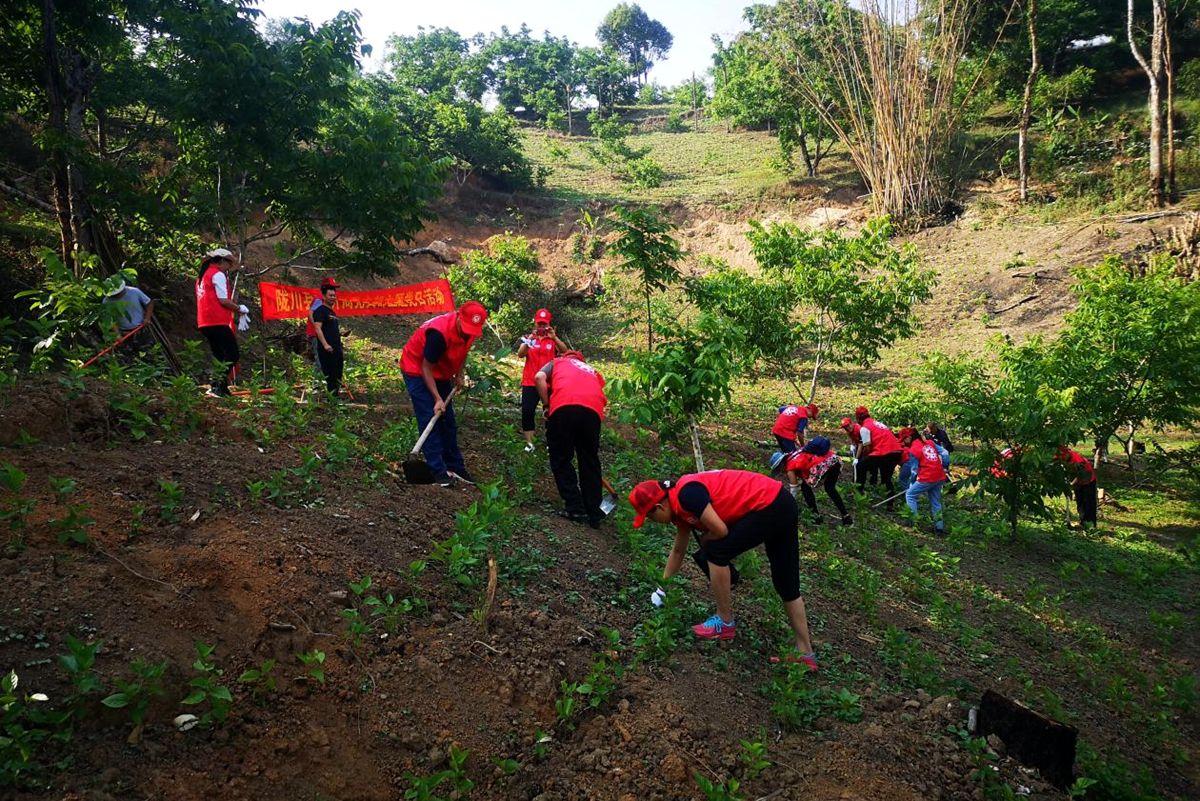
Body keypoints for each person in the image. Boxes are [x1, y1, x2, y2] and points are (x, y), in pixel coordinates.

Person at [629, 469, 818, 670]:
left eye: (650, 517)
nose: (653, 521)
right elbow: (678, 551)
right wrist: (662, 588)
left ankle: (724, 621)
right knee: (786, 584)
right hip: (781, 502)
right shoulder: (678, 506)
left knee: (715, 551)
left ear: (659, 507)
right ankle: (805, 654)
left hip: (769, 503)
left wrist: (705, 538)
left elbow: (720, 530)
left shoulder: (687, 495)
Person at [400, 301, 487, 487]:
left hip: (441, 371)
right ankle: (436, 470)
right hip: (417, 370)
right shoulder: (438, 334)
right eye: (466, 328)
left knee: (448, 420)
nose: (468, 332)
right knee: (430, 415)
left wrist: (459, 374)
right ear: (458, 317)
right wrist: (437, 398)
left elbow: (464, 350)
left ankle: (455, 466)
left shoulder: (470, 331)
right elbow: (425, 367)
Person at [535, 350, 606, 528]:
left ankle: (575, 507)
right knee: (589, 460)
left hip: (564, 407)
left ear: (565, 357)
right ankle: (594, 512)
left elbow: (538, 377)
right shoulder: (592, 370)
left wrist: (546, 405)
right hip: (592, 413)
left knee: (561, 457)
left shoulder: (557, 362)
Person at [195, 247, 247, 397]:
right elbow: (223, 300)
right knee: (232, 354)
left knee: (219, 354)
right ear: (222, 261)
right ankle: (217, 385)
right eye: (229, 264)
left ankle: (220, 387)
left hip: (204, 321)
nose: (229, 267)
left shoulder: (202, 276)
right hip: (216, 320)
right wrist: (239, 308)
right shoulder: (217, 274)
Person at [517, 308, 567, 452]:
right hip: (530, 381)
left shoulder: (552, 339)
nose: (541, 327)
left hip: (548, 382)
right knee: (527, 411)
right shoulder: (529, 338)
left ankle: (550, 441)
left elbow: (565, 352)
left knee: (551, 411)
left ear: (549, 324)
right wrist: (529, 340)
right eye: (539, 324)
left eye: (544, 324)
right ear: (535, 322)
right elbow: (520, 354)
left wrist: (554, 337)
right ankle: (530, 443)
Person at [773, 436, 851, 526]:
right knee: (830, 488)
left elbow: (794, 488)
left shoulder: (790, 467)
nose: (780, 472)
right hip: (833, 459)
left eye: (778, 469)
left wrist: (789, 503)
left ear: (781, 464)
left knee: (805, 488)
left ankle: (816, 516)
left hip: (822, 464)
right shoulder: (794, 454)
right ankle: (846, 516)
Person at [853, 406, 904, 508]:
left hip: (884, 451)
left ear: (858, 418)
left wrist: (860, 458)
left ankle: (859, 494)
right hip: (896, 451)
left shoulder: (865, 428)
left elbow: (867, 448)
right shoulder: (878, 423)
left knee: (860, 466)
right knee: (886, 478)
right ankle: (890, 503)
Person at [899, 428, 948, 532]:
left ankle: (914, 523)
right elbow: (945, 452)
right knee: (936, 502)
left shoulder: (913, 449)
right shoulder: (930, 442)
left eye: (904, 440)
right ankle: (939, 528)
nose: (903, 442)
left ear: (909, 438)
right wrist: (945, 466)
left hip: (927, 477)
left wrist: (912, 484)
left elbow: (914, 471)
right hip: (939, 476)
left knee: (910, 495)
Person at [103, 279, 155, 363]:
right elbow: (110, 319)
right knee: (127, 360)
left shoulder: (134, 292)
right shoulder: (107, 301)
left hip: (140, 330)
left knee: (148, 355)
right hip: (124, 334)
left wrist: (147, 318)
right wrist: (117, 334)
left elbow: (149, 302)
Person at [311, 277, 343, 396]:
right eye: (330, 295)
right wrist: (325, 344)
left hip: (336, 348)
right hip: (327, 349)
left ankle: (335, 396)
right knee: (331, 374)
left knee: (338, 373)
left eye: (334, 295)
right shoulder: (320, 311)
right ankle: (332, 399)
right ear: (324, 296)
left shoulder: (332, 312)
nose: (333, 297)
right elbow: (317, 328)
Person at [1056, 446, 1098, 528]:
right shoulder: (1064, 458)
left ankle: (1091, 524)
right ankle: (1082, 522)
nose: (1061, 458)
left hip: (1088, 481)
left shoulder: (1078, 461)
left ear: (1067, 454)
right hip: (1078, 482)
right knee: (1080, 502)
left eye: (1062, 456)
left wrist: (1071, 484)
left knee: (1089, 503)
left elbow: (1081, 475)